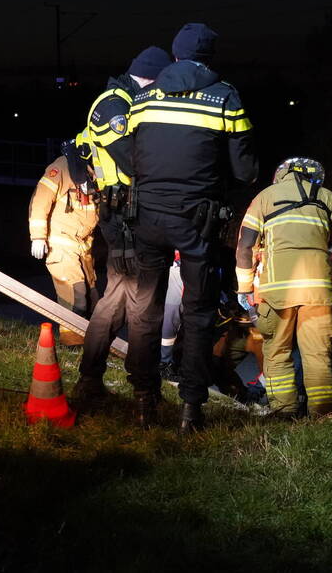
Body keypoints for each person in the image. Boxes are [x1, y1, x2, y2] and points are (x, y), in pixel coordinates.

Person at [124, 22, 258, 431]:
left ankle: (145, 401)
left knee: (145, 310)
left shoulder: (143, 98)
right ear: (209, 59)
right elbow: (246, 170)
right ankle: (190, 411)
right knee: (198, 314)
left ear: (176, 53)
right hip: (197, 222)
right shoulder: (226, 98)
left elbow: (131, 159)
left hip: (146, 216)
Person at [235, 157, 332, 417]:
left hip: (277, 296)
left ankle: (285, 414)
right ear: (313, 177)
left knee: (277, 355)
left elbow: (245, 246)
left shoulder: (264, 197)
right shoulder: (324, 196)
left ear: (282, 175)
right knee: (317, 358)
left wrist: (243, 288)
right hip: (318, 295)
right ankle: (323, 417)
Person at [72, 47, 172, 399]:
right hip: (126, 217)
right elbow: (133, 161)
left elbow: (81, 147)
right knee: (144, 304)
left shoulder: (124, 100)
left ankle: (90, 379)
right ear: (151, 77)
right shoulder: (114, 105)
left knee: (114, 300)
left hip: (124, 216)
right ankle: (145, 392)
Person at [28, 133, 99, 345]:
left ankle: (94, 344)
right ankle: (72, 346)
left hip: (83, 247)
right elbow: (41, 199)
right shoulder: (63, 167)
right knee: (75, 295)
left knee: (94, 299)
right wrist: (38, 237)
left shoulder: (96, 173)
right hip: (60, 243)